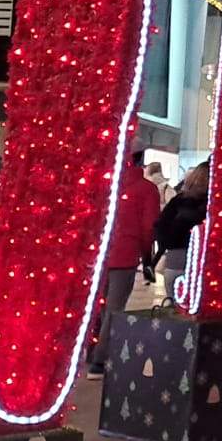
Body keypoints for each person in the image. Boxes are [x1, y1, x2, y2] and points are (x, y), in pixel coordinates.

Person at [91, 151, 162, 376]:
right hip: (125, 255)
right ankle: (100, 361)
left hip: (98, 256)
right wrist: (147, 257)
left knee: (98, 308)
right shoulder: (146, 189)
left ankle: (92, 352)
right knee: (114, 309)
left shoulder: (103, 185)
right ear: (141, 159)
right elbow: (148, 227)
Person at [153, 162, 209, 290]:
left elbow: (161, 228)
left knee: (173, 304)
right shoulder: (212, 206)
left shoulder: (178, 201)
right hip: (202, 261)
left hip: (175, 259)